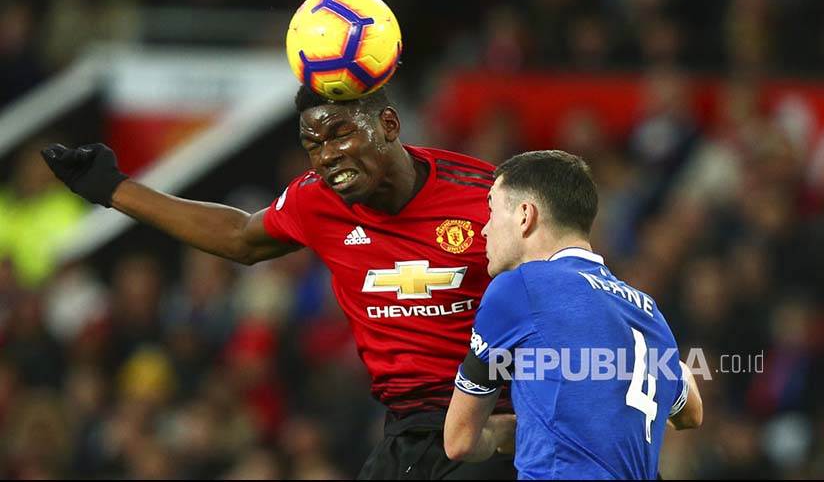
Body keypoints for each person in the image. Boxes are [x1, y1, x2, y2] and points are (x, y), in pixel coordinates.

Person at [41, 85, 516, 480]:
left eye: (338, 135)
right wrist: (114, 189)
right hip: (404, 433)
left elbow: (566, 291)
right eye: (313, 145)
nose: (326, 157)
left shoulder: (488, 196)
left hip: (490, 427)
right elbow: (241, 237)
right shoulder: (317, 200)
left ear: (388, 126)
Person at [444, 150, 703, 479]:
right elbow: (692, 412)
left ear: (525, 215)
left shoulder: (520, 288)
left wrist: (508, 430)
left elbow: (459, 440)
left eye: (492, 210)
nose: (484, 230)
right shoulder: (649, 312)